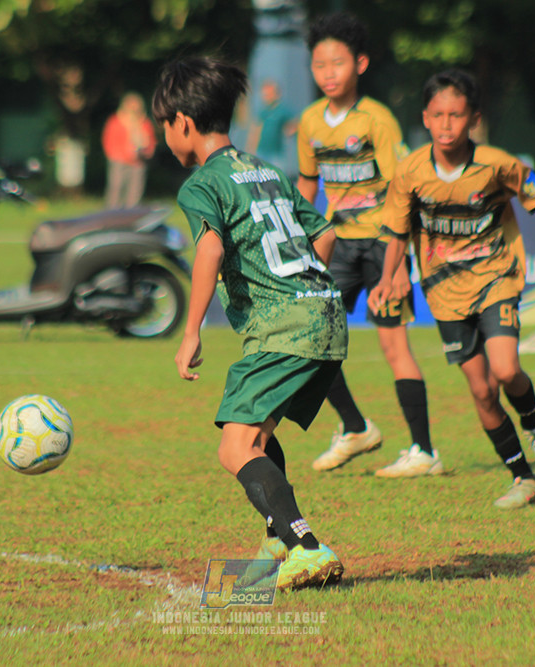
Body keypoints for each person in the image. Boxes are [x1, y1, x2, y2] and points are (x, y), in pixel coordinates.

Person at [152, 56, 349, 589]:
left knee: (234, 447)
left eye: (163, 124)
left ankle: (306, 546)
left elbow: (210, 248)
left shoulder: (201, 184)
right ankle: (276, 537)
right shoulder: (265, 169)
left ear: (183, 124)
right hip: (325, 313)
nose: (164, 135)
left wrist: (191, 331)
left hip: (284, 326)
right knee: (258, 431)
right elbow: (324, 232)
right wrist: (306, 289)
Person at [368, 69, 535, 509]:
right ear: (426, 119)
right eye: (438, 115)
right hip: (443, 293)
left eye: (457, 115)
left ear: (474, 119)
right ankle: (523, 479)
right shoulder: (411, 171)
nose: (447, 124)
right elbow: (396, 229)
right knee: (481, 390)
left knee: (506, 370)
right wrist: (389, 276)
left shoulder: (496, 164)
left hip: (496, 278)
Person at [296, 11, 442, 478]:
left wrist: (399, 264)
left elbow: (404, 188)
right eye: (320, 65)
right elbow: (307, 183)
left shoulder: (377, 119)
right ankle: (356, 427)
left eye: (337, 63)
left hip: (383, 245)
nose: (328, 73)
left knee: (393, 346)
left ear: (359, 64)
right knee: (311, 341)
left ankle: (424, 451)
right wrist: (301, 234)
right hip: (338, 246)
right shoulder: (310, 122)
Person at [101, 92, 157, 209]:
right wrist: (119, 155)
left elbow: (150, 142)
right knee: (116, 190)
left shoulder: (144, 123)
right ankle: (112, 216)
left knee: (135, 193)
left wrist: (145, 153)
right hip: (119, 162)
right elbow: (109, 141)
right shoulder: (115, 121)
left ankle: (131, 218)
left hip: (138, 163)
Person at [245, 78, 298, 177]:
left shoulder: (282, 110)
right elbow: (255, 130)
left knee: (277, 178)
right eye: (264, 94)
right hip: (261, 152)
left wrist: (290, 130)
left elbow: (294, 123)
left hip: (277, 153)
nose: (266, 96)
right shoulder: (263, 111)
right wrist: (250, 149)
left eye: (269, 93)